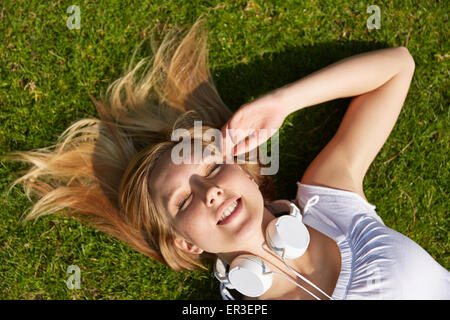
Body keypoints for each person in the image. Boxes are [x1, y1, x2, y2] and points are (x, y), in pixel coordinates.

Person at [5, 17, 449, 300]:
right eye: (182, 202)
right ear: (185, 243)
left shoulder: (330, 202)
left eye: (212, 168)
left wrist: (283, 102)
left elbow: (397, 67)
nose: (210, 190)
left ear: (249, 175)